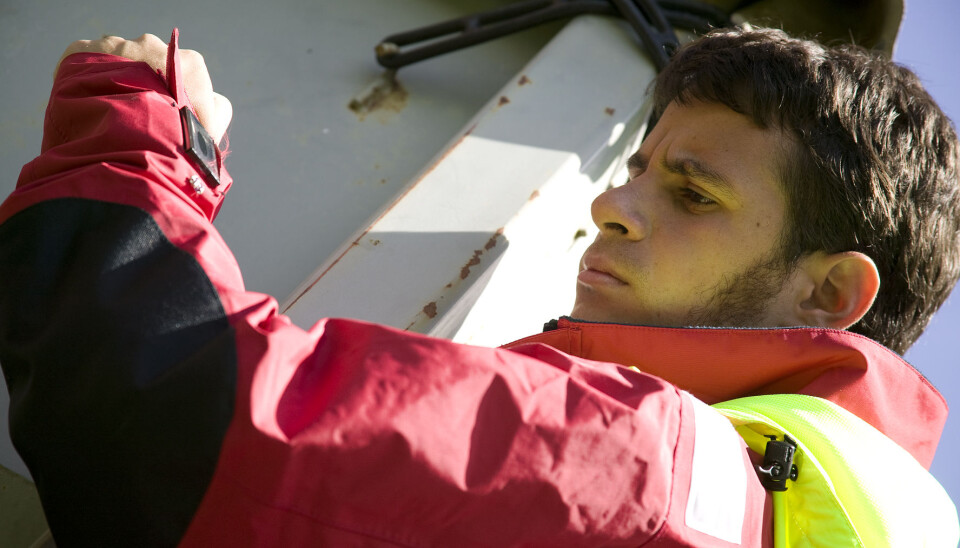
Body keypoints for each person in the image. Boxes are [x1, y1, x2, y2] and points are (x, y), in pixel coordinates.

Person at [0, 26, 957, 547]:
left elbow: (175, 416)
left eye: (692, 191)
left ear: (829, 296)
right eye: (634, 170)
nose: (613, 207)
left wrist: (141, 142)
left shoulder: (664, 470)